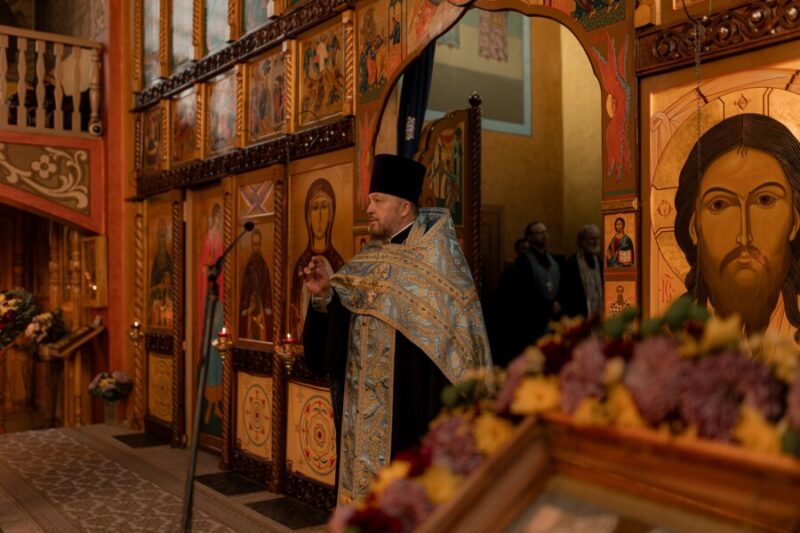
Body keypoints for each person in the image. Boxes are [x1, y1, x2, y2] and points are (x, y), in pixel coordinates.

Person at [301, 153, 491, 503]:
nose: (368, 208)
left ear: (404, 208)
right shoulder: (366, 263)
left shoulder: (440, 264)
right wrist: (324, 298)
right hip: (361, 426)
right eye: (370, 200)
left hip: (412, 416)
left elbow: (460, 352)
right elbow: (329, 348)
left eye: (378, 200)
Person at [675, 113, 800, 338]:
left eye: (765, 200)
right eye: (719, 204)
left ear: (795, 219)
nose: (744, 237)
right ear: (693, 226)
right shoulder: (668, 339)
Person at [492, 221, 561, 366]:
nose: (544, 236)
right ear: (529, 238)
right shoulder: (522, 263)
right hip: (531, 325)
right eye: (539, 233)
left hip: (550, 323)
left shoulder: (553, 263)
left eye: (545, 232)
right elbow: (522, 296)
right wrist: (547, 305)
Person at [289, 178, 345, 340]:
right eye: (315, 208)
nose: (319, 217)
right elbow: (294, 315)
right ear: (308, 216)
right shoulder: (301, 265)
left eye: (324, 207)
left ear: (331, 214)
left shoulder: (339, 264)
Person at [560, 224, 603, 319]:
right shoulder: (572, 263)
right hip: (579, 315)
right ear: (582, 241)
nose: (595, 242)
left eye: (597, 238)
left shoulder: (599, 262)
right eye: (592, 239)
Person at [238, 228, 273, 342]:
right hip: (250, 305)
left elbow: (267, 287)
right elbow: (245, 288)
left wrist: (266, 307)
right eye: (254, 244)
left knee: (261, 334)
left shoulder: (263, 266)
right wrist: (245, 307)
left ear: (260, 245)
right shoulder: (248, 266)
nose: (255, 247)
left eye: (257, 244)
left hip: (261, 304)